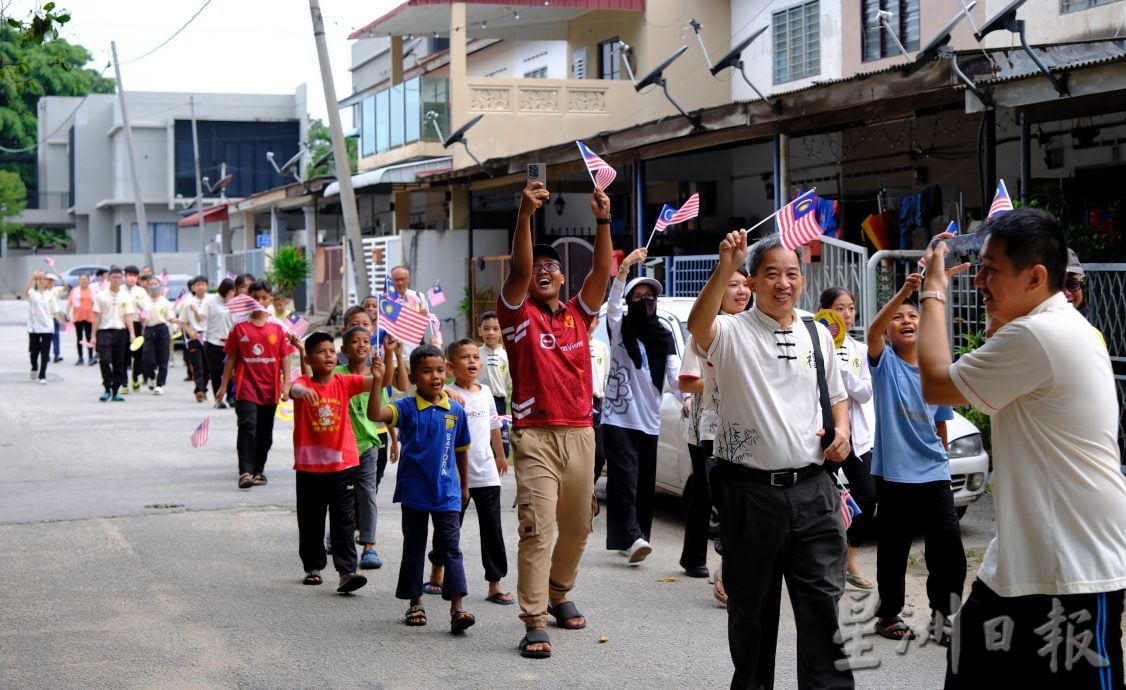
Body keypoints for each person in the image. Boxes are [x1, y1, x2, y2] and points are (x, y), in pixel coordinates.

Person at [916, 209, 1126, 688]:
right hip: (1019, 563)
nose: (981, 281)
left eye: (992, 269)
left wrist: (932, 289)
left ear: (1035, 276)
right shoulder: (1048, 326)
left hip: (1074, 569)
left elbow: (934, 382)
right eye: (980, 267)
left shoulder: (1039, 334)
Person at [686, 231, 853, 689]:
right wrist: (725, 266)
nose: (783, 283)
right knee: (752, 616)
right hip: (749, 495)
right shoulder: (730, 332)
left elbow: (836, 396)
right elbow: (698, 326)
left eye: (792, 274)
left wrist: (842, 429)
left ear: (803, 280)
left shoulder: (817, 333)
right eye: (771, 274)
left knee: (822, 609)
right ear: (754, 282)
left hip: (814, 493)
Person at [498, 181, 612, 659]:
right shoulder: (514, 314)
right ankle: (533, 619)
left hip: (581, 431)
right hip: (535, 435)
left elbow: (602, 272)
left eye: (552, 267)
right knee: (537, 528)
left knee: (579, 527)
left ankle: (560, 591)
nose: (543, 271)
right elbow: (521, 268)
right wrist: (525, 216)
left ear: (564, 278)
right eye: (537, 267)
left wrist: (603, 219)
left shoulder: (578, 316)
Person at [866, 274, 964, 644]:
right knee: (894, 548)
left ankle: (943, 616)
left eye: (913, 316)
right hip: (894, 474)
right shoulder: (884, 365)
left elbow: (941, 424)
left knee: (948, 545)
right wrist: (907, 293)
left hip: (934, 472)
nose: (906, 321)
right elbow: (874, 331)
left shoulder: (935, 369)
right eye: (899, 318)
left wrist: (943, 459)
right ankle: (888, 613)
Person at [367, 345, 476, 635]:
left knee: (451, 548)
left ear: (447, 371)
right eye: (426, 371)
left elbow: (462, 450)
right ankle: (415, 603)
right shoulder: (405, 407)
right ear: (414, 377)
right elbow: (376, 413)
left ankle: (457, 608)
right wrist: (378, 380)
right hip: (415, 493)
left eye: (440, 370)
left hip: (448, 493)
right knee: (414, 547)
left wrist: (464, 486)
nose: (435, 376)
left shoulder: (456, 409)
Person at [602, 247, 681, 566]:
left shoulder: (664, 337)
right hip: (618, 417)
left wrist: (688, 398)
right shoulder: (620, 328)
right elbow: (612, 305)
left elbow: (677, 378)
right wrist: (625, 269)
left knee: (643, 483)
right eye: (639, 296)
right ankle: (633, 535)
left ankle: (632, 538)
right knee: (624, 477)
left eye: (651, 296)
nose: (646, 300)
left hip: (649, 420)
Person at [285, 331, 372, 595]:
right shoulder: (303, 383)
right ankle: (313, 565)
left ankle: (347, 572)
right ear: (309, 359)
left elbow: (378, 382)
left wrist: (386, 360)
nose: (329, 356)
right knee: (311, 518)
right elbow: (293, 389)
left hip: (342, 465)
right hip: (309, 466)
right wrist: (302, 392)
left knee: (343, 519)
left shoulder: (345, 382)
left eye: (332, 351)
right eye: (322, 352)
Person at [679, 266, 751, 580]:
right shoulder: (708, 328)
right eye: (731, 284)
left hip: (744, 422)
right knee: (708, 493)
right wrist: (723, 382)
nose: (740, 291)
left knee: (712, 492)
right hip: (706, 422)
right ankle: (697, 558)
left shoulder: (755, 326)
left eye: (744, 284)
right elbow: (687, 381)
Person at [430, 338, 513, 606]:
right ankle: (437, 571)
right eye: (465, 357)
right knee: (449, 527)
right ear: (451, 366)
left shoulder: (486, 392)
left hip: (486, 472)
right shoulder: (447, 394)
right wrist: (444, 392)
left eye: (475, 356)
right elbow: (432, 397)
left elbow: (493, 427)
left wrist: (501, 456)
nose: (473, 361)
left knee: (492, 529)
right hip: (455, 475)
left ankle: (495, 583)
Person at [819, 287, 877, 591]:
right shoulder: (812, 345)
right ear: (825, 312)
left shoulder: (859, 350)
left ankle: (851, 557)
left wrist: (841, 367)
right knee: (820, 499)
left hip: (858, 438)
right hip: (821, 435)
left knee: (867, 495)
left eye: (851, 308)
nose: (847, 315)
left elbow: (865, 392)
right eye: (840, 308)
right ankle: (824, 561)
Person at [334, 319, 397, 571]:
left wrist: (393, 438)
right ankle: (339, 536)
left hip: (369, 444)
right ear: (344, 349)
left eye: (365, 341)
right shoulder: (337, 375)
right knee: (341, 497)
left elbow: (384, 404)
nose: (361, 345)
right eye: (355, 341)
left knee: (367, 493)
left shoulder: (376, 374)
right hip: (340, 445)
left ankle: (369, 545)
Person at [217, 281, 293, 489]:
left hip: (270, 388)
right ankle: (245, 472)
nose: (259, 302)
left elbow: (285, 357)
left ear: (270, 299)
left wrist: (287, 384)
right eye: (255, 298)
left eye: (264, 297)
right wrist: (223, 387)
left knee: (264, 431)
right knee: (247, 426)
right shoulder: (240, 327)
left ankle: (259, 470)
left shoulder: (278, 327)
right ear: (248, 299)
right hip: (245, 387)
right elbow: (231, 358)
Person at [91, 267, 137, 401]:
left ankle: (115, 390)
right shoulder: (101, 295)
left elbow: (128, 315)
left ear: (121, 279)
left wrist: (132, 334)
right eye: (113, 277)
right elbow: (96, 316)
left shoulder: (125, 296)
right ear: (108, 278)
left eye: (118, 277)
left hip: (120, 332)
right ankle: (106, 387)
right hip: (104, 331)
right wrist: (93, 335)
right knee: (104, 360)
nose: (116, 280)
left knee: (119, 362)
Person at [477, 310, 511, 455]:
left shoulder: (506, 356)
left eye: (495, 328)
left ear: (501, 331)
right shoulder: (476, 354)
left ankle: (498, 474)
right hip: (480, 401)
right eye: (486, 328)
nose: (490, 332)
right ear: (480, 331)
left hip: (499, 403)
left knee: (502, 447)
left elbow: (510, 382)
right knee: (482, 443)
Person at [24, 271, 63, 384]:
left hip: (47, 326)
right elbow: (25, 292)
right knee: (34, 351)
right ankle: (34, 367)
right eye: (40, 279)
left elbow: (55, 310)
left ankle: (42, 375)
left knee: (45, 352)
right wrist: (32, 278)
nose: (42, 281)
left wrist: (59, 319)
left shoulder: (50, 294)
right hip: (34, 326)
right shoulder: (32, 293)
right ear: (37, 281)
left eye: (44, 279)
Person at [139, 279, 175, 395]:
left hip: (162, 329)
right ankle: (151, 376)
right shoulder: (144, 301)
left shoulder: (164, 301)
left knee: (163, 358)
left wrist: (178, 323)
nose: (153, 286)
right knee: (147, 357)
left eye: (155, 284)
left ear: (160, 286)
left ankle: (159, 384)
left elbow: (170, 317)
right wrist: (142, 320)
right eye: (151, 284)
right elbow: (142, 317)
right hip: (149, 329)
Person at [203, 278, 235, 406]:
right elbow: (202, 316)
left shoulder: (234, 302)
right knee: (216, 373)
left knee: (231, 371)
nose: (233, 293)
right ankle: (218, 399)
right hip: (213, 342)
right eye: (231, 291)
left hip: (230, 343)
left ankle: (230, 397)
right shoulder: (210, 301)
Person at [179, 276, 210, 402]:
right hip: (194, 337)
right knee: (197, 366)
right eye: (197, 284)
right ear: (193, 287)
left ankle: (204, 388)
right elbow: (183, 321)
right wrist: (189, 332)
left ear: (207, 286)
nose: (200, 287)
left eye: (203, 284)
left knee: (208, 367)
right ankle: (199, 390)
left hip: (209, 337)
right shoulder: (188, 303)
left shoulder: (211, 301)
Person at [589, 314, 611, 484]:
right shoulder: (570, 344)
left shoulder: (601, 347)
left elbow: (606, 375)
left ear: (597, 322)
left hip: (597, 403)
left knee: (600, 454)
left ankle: (590, 488)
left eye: (592, 319)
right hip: (577, 405)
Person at [122, 266, 147, 393]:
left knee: (138, 355)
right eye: (129, 275)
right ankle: (124, 383)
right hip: (122, 326)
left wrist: (144, 319)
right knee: (122, 355)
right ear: (125, 276)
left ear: (137, 278)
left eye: (134, 275)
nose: (131, 278)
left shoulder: (141, 292)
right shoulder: (120, 290)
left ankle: (135, 376)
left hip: (136, 324)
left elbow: (146, 310)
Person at [68, 274, 96, 366]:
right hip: (78, 317)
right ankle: (80, 357)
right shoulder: (75, 290)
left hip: (89, 317)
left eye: (85, 279)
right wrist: (68, 314)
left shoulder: (92, 291)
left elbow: (97, 303)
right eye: (82, 279)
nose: (83, 281)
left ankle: (91, 356)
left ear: (89, 280)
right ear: (79, 281)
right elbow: (69, 302)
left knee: (89, 338)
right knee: (79, 338)